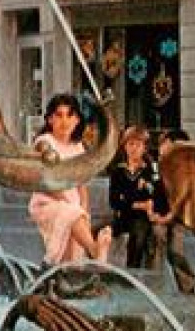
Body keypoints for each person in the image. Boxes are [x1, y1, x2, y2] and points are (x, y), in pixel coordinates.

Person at [28, 93, 112, 266]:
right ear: (50, 119)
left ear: (77, 120)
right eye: (59, 115)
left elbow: (81, 185)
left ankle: (60, 279)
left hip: (73, 207)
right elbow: (44, 179)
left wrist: (85, 209)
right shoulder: (44, 142)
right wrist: (69, 203)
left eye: (69, 115)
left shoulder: (78, 146)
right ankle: (94, 249)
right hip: (47, 203)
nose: (64, 121)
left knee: (69, 257)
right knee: (70, 213)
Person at [109, 126, 169, 270]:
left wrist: (128, 197)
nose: (134, 148)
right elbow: (114, 201)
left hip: (143, 218)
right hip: (123, 217)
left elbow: (156, 197)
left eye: (138, 144)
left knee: (140, 232)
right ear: (124, 147)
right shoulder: (118, 171)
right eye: (130, 144)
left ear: (145, 148)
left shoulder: (151, 170)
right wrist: (139, 202)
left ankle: (133, 272)